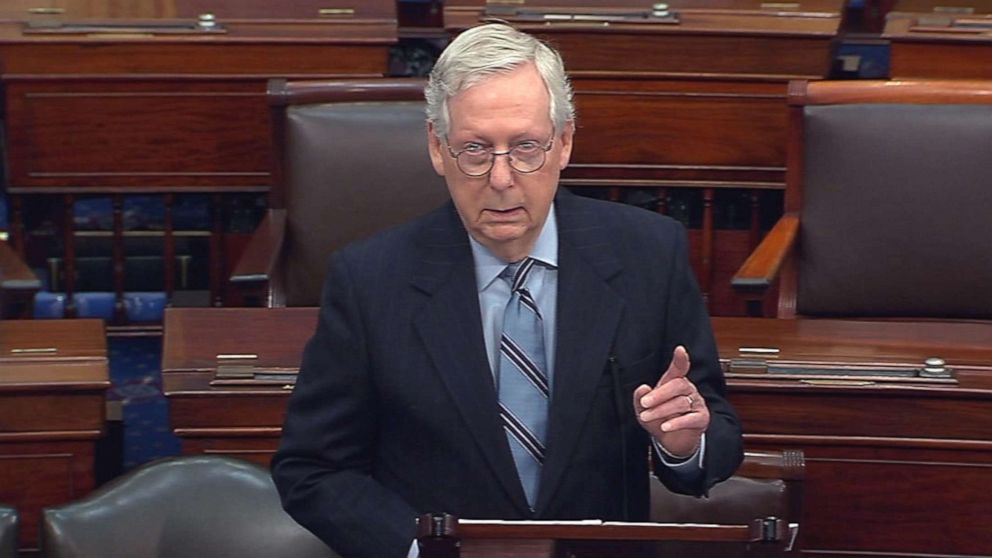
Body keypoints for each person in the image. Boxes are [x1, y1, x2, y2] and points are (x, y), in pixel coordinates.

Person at [272, 22, 743, 558]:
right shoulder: (370, 280)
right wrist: (424, 549)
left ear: (563, 143)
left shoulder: (646, 255)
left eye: (525, 148)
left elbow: (715, 430)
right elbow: (313, 469)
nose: (501, 178)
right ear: (436, 147)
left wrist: (683, 443)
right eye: (475, 149)